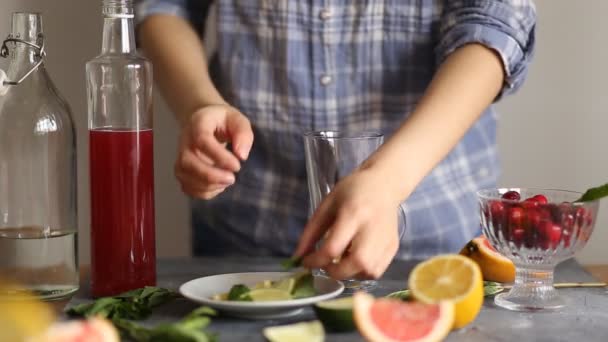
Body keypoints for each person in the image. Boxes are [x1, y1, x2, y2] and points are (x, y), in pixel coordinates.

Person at [135, 1, 536, 280]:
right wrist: (199, 107)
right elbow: (164, 6)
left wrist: (388, 180)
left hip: (438, 239)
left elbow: (495, 21)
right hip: (244, 234)